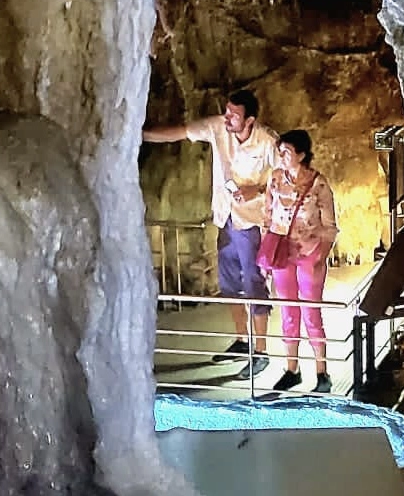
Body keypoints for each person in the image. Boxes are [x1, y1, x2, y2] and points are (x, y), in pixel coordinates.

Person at [143, 88, 277, 379]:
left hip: (251, 223)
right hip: (225, 217)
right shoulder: (218, 127)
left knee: (253, 284)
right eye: (227, 111)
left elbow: (286, 178)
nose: (227, 117)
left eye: (234, 115)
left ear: (250, 120)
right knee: (229, 285)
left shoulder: (267, 141)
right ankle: (243, 340)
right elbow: (181, 132)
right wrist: (139, 134)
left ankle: (262, 352)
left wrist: (258, 189)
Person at [261, 130, 338, 392]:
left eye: (287, 152)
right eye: (280, 151)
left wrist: (322, 256)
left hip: (310, 255)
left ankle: (322, 372)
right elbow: (268, 215)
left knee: (311, 312)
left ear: (302, 155)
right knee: (287, 312)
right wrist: (268, 251)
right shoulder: (275, 180)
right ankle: (291, 369)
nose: (281, 157)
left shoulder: (319, 185)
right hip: (283, 255)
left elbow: (329, 226)